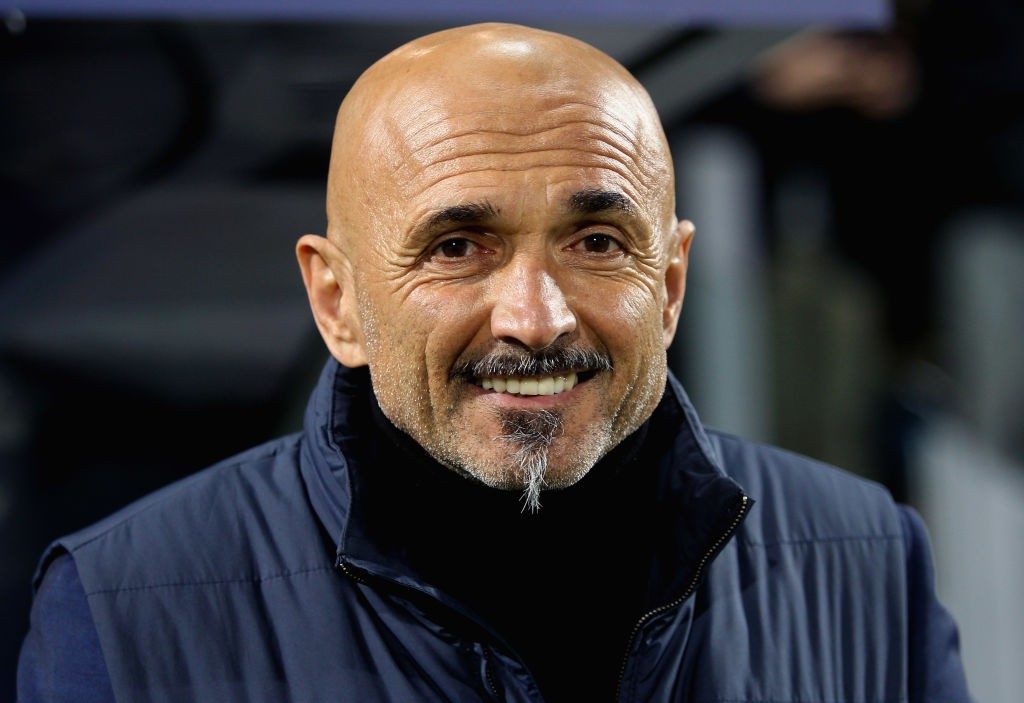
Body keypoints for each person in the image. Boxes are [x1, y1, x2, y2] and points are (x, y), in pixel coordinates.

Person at [17, 23, 971, 703]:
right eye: (457, 248)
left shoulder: (868, 561)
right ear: (337, 302)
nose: (537, 318)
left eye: (596, 242)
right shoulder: (123, 613)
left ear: (671, 283)